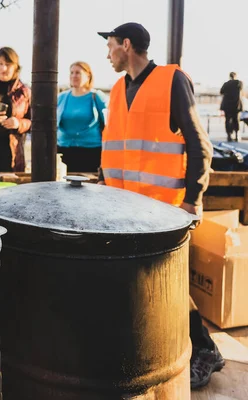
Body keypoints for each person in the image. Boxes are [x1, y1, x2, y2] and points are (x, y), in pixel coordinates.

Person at [97, 22, 221, 389]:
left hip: (164, 211)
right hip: (123, 211)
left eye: (111, 46)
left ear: (127, 45)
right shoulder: (118, 90)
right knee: (143, 288)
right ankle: (146, 351)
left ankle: (203, 350)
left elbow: (201, 145)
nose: (107, 53)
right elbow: (115, 143)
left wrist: (192, 200)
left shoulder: (172, 80)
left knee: (167, 286)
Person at [56, 61, 107, 173]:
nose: (74, 76)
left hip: (90, 152)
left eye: (78, 73)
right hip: (64, 151)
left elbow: (108, 124)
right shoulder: (61, 98)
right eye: (72, 72)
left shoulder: (96, 96)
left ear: (88, 76)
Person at [220, 72, 244, 141]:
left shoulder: (226, 84)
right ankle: (236, 135)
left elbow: (221, 92)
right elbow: (241, 88)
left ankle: (229, 136)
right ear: (235, 76)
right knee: (236, 120)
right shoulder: (239, 83)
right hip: (236, 105)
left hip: (227, 105)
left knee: (227, 120)